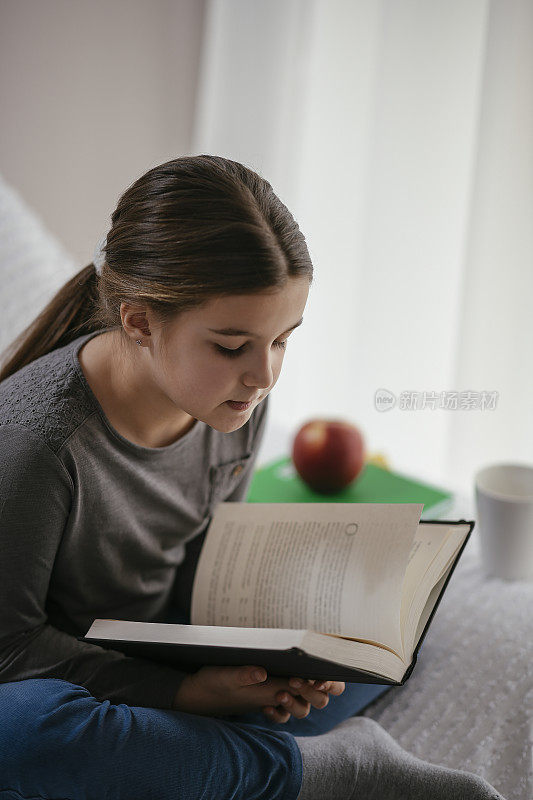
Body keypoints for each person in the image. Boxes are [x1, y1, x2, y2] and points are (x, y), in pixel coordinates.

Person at [0, 155, 505, 799]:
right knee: (25, 736)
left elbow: (198, 569)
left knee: (383, 638)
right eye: (232, 346)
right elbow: (9, 651)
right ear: (138, 320)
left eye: (283, 340)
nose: (264, 377)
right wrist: (184, 691)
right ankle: (329, 769)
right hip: (62, 677)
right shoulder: (32, 445)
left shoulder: (230, 402)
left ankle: (202, 760)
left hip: (160, 651)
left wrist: (264, 665)